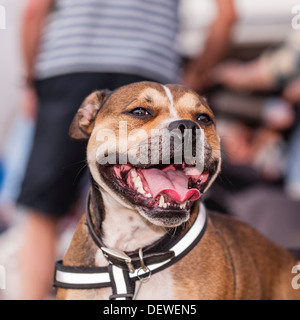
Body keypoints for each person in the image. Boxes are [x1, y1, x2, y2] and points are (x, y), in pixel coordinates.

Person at [18, 0, 236, 299]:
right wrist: (198, 76)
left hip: (69, 66)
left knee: (44, 213)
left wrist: (29, 79)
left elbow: (33, 11)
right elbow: (227, 15)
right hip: (150, 67)